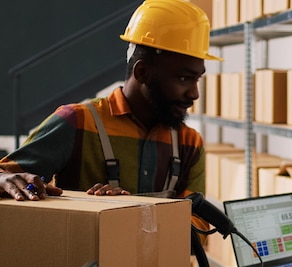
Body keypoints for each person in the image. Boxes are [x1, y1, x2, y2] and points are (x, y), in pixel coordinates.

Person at [0, 0, 221, 203]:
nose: (194, 93)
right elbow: (8, 177)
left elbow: (197, 225)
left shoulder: (189, 143)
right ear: (142, 72)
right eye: (184, 78)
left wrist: (123, 216)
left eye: (197, 79)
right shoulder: (77, 123)